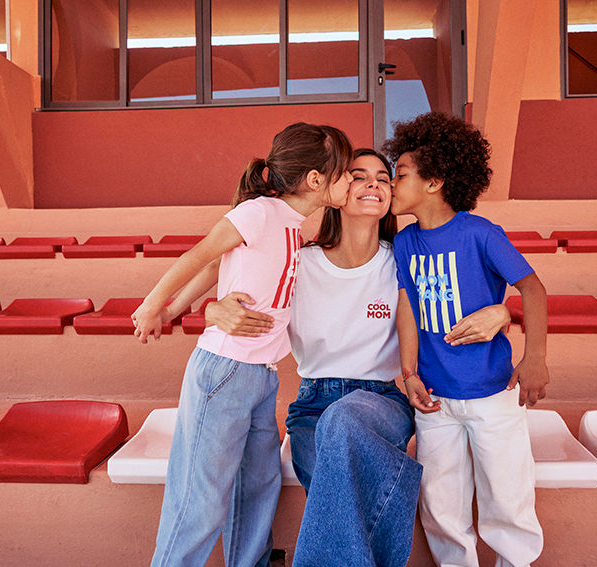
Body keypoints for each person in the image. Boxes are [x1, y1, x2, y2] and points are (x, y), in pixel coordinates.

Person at [205, 148, 512, 566]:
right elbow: (234, 285)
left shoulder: (403, 259)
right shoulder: (299, 260)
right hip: (312, 407)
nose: (373, 184)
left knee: (345, 420)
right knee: (343, 487)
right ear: (336, 191)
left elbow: (456, 298)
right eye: (359, 175)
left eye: (384, 178)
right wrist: (211, 309)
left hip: (382, 400)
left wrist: (505, 310)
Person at [131, 122, 354, 567]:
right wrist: (155, 306)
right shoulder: (259, 213)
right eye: (345, 172)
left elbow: (220, 270)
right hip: (224, 373)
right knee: (201, 498)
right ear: (316, 180)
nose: (350, 181)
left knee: (258, 488)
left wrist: (180, 310)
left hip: (261, 378)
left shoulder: (293, 227)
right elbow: (201, 256)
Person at [384, 112, 549, 567]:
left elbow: (532, 288)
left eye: (400, 174)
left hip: (492, 394)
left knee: (507, 497)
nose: (392, 185)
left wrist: (535, 357)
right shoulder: (404, 243)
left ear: (434, 181)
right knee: (441, 506)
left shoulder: (480, 234)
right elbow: (408, 309)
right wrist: (409, 372)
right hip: (435, 400)